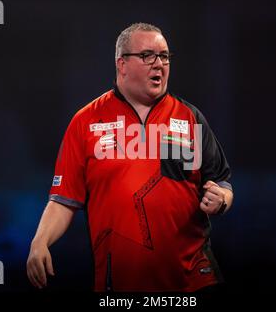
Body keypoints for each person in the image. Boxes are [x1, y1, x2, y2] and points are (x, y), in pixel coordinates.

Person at [26, 22, 234, 292]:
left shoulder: (189, 117)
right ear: (121, 64)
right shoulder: (86, 121)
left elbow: (222, 183)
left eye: (164, 56)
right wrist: (39, 242)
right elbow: (64, 199)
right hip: (120, 284)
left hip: (193, 281)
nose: (159, 64)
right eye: (148, 56)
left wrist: (222, 200)